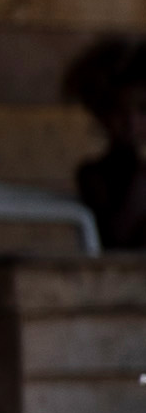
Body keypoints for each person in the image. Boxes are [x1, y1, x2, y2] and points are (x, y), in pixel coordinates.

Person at [72, 40, 146, 254]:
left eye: (142, 110)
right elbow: (117, 237)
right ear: (101, 114)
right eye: (120, 111)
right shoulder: (94, 175)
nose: (131, 123)